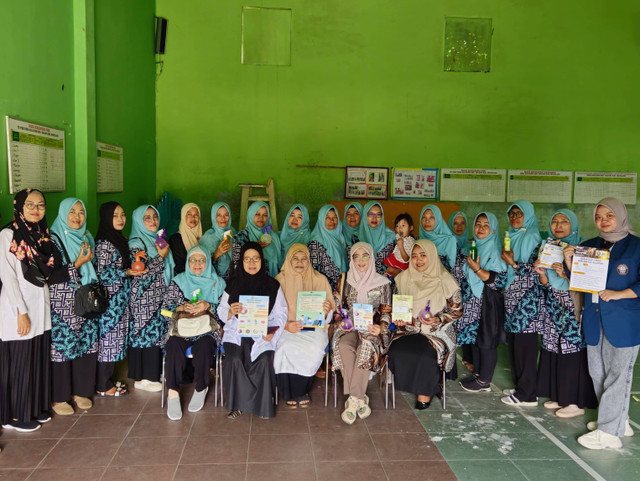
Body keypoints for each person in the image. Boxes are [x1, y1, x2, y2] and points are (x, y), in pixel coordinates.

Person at [569, 198, 640, 449]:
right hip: (593, 317)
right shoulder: (588, 246)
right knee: (597, 373)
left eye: (609, 215)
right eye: (599, 217)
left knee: (619, 375)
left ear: (621, 216)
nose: (603, 221)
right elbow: (579, 282)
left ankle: (609, 434)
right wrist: (568, 263)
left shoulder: (636, 247)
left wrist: (619, 294)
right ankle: (617, 421)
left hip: (625, 321)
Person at [0, 189, 54, 432]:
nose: (35, 209)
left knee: (36, 360)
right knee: (20, 364)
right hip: (17, 309)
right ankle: (15, 416)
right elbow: (8, 276)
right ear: (19, 207)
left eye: (40, 205)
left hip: (40, 306)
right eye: (30, 205)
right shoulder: (8, 234)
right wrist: (20, 311)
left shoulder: (42, 235)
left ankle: (34, 408)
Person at [535, 209, 596, 418]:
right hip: (553, 303)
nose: (558, 225)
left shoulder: (583, 249)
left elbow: (587, 286)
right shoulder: (549, 247)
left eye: (564, 221)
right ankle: (561, 395)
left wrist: (567, 273)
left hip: (572, 306)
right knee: (554, 350)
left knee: (572, 351)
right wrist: (542, 273)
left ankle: (575, 402)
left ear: (574, 225)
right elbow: (545, 284)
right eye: (554, 221)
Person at [388, 239, 461, 409]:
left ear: (432, 256)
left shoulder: (445, 279)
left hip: (436, 331)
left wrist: (438, 319)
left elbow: (457, 310)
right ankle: (418, 384)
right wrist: (398, 318)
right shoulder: (403, 278)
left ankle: (426, 390)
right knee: (396, 351)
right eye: (414, 256)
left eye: (423, 255)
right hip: (408, 330)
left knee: (426, 355)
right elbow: (398, 306)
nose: (418, 260)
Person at [217, 242, 287, 419]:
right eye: (247, 259)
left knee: (265, 359)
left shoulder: (272, 285)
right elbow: (221, 310)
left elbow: (281, 314)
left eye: (255, 258)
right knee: (234, 359)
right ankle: (238, 405)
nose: (251, 263)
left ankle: (262, 406)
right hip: (237, 333)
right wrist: (231, 312)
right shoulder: (232, 284)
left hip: (262, 333)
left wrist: (272, 332)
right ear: (241, 261)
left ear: (261, 260)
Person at [162, 246, 225, 420]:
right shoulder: (178, 281)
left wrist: (209, 306)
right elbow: (164, 310)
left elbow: (228, 313)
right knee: (173, 345)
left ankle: (201, 387)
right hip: (182, 328)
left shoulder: (218, 283)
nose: (197, 264)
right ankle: (173, 391)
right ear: (188, 262)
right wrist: (181, 308)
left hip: (207, 330)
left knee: (204, 346)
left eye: (202, 260)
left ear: (208, 262)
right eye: (193, 260)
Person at [48, 198, 99, 415]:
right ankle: (59, 397)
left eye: (81, 212)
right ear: (62, 214)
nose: (77, 217)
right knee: (62, 347)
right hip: (63, 302)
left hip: (86, 297)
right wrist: (77, 264)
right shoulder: (52, 240)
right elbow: (49, 275)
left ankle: (81, 391)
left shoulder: (87, 237)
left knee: (86, 343)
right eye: (72, 212)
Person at [332, 242, 391, 424]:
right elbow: (337, 308)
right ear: (351, 259)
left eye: (365, 255)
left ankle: (353, 400)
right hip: (348, 326)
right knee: (342, 345)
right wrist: (340, 320)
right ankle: (360, 398)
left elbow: (387, 312)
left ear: (371, 258)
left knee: (366, 345)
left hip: (372, 327)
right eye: (356, 256)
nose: (360, 260)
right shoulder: (344, 280)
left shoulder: (383, 283)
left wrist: (381, 327)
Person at [274, 244, 334, 408]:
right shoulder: (280, 280)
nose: (300, 262)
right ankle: (287, 391)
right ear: (288, 260)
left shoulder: (319, 279)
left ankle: (302, 390)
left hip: (314, 328)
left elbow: (330, 315)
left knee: (314, 347)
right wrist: (286, 326)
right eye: (295, 258)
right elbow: (272, 313)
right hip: (288, 327)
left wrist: (326, 310)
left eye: (304, 259)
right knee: (285, 346)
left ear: (309, 261)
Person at [94, 202, 141, 397]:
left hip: (120, 299)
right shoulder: (105, 243)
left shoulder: (118, 239)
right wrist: (126, 271)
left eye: (122, 215)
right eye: (115, 216)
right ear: (106, 218)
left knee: (115, 340)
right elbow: (102, 272)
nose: (121, 219)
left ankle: (107, 380)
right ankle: (102, 385)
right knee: (109, 341)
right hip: (110, 301)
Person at [456, 213, 508, 392]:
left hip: (487, 302)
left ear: (493, 229)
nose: (481, 228)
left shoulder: (495, 250)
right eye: (478, 224)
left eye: (486, 225)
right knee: (477, 339)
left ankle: (484, 380)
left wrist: (477, 269)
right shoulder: (474, 246)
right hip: (472, 301)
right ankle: (478, 374)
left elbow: (498, 282)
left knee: (487, 341)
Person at [500, 200, 543, 406]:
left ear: (528, 215)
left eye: (519, 214)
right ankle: (520, 386)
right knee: (515, 343)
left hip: (528, 299)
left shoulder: (534, 238)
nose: (515, 217)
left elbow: (537, 269)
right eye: (512, 214)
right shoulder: (512, 237)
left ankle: (528, 394)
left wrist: (514, 264)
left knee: (526, 346)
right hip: (512, 297)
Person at [128, 205, 174, 392]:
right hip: (143, 297)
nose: (153, 221)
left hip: (158, 295)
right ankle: (144, 378)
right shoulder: (135, 243)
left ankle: (152, 373)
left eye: (155, 216)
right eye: (147, 218)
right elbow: (141, 273)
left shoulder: (157, 239)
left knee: (156, 333)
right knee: (145, 334)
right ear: (139, 221)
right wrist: (161, 258)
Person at [448, 210, 472, 370]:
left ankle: (469, 356)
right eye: (455, 223)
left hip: (468, 289)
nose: (459, 226)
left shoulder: (472, 244)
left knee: (468, 322)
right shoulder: (447, 242)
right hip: (449, 289)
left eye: (462, 223)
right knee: (451, 322)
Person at [232, 202, 282, 277]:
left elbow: (280, 263)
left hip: (274, 282)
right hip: (250, 282)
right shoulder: (240, 237)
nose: (261, 218)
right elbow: (237, 265)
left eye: (265, 215)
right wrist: (257, 246)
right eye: (257, 214)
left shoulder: (273, 236)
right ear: (250, 215)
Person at [308, 205, 348, 290]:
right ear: (321, 220)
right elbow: (312, 272)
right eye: (327, 217)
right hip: (325, 290)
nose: (332, 220)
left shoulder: (340, 239)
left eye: (334, 217)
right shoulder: (315, 243)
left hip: (342, 289)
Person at [357, 201, 396, 276]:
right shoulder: (356, 238)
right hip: (361, 280)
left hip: (386, 282)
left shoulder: (391, 237)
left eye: (378, 215)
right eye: (371, 214)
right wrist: (387, 269)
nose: (374, 218)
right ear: (365, 215)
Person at [199, 202, 235, 279]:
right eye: (219, 215)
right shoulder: (207, 238)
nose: (223, 219)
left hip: (234, 278)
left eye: (226, 215)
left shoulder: (233, 232)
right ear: (213, 217)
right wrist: (216, 254)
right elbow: (201, 265)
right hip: (215, 280)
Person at [419, 205, 457, 271]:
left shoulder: (449, 240)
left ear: (438, 219)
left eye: (432, 217)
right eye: (424, 217)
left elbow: (453, 268)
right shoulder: (418, 241)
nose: (427, 221)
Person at [169, 203, 203, 274]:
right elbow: (178, 267)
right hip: (184, 280)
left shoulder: (202, 238)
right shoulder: (175, 240)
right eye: (189, 214)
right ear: (183, 216)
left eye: (196, 215)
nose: (193, 218)